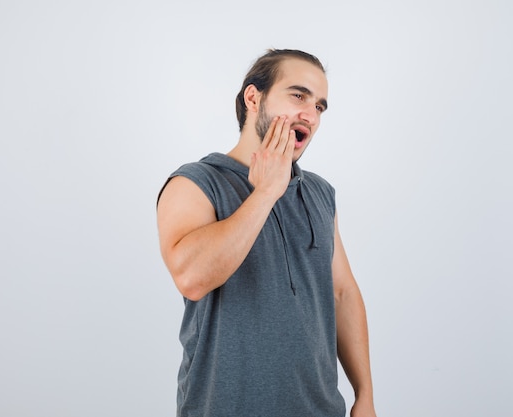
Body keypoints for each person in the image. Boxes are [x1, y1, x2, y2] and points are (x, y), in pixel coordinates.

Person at [156, 48, 376, 417]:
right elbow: (192, 278)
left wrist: (364, 395)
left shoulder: (319, 193)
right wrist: (266, 193)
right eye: (298, 95)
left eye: (320, 106)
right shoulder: (195, 183)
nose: (311, 114)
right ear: (253, 98)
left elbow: (342, 293)